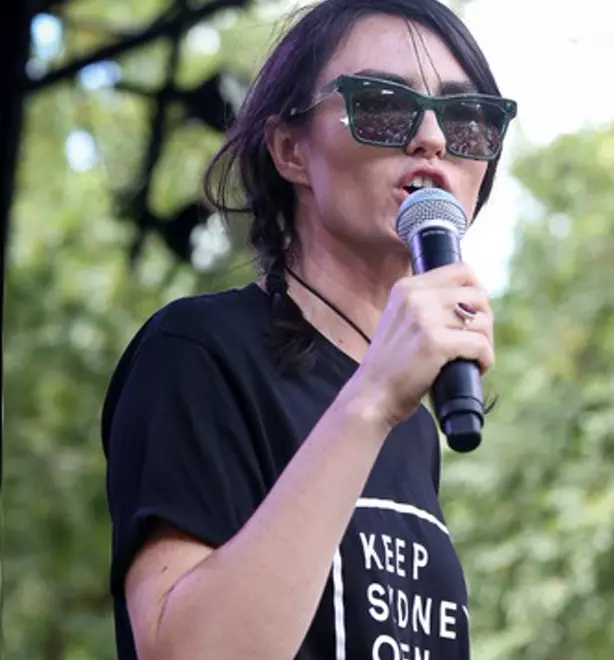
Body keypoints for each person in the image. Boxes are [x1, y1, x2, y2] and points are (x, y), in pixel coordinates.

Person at [100, 0, 518, 658]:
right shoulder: (199, 352)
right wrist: (371, 399)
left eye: (468, 119)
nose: (434, 138)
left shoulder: (412, 419)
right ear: (290, 149)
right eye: (383, 104)